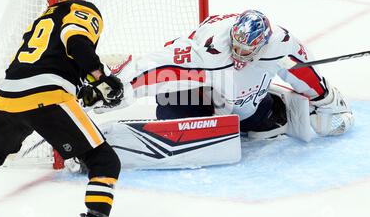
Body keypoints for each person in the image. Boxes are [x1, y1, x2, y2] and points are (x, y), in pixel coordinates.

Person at [0, 0, 124, 217]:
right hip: (47, 96)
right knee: (104, 162)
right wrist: (101, 78)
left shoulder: (42, 17)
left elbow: (48, 57)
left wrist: (83, 84)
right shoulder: (84, 11)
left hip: (8, 95)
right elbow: (76, 43)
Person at [93, 10, 353, 140]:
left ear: (263, 43)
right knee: (169, 108)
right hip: (204, 83)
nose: (239, 53)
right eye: (236, 46)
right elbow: (161, 67)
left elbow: (304, 73)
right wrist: (121, 90)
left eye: (247, 49)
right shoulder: (210, 50)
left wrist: (326, 100)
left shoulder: (281, 45)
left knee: (249, 118)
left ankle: (271, 107)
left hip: (238, 96)